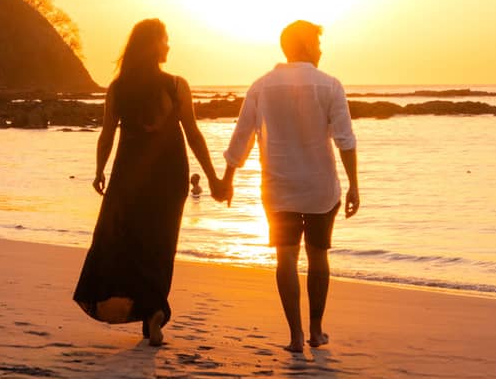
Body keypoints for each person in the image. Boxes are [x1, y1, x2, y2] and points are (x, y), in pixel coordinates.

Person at [73, 19, 225, 346]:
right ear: (153, 43)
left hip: (129, 176)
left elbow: (107, 134)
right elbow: (194, 135)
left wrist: (100, 171)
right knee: (160, 244)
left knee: (124, 242)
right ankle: (154, 310)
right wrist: (212, 177)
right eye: (165, 40)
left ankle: (144, 308)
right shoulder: (176, 85)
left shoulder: (119, 87)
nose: (169, 46)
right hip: (170, 176)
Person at [222, 20, 359, 353]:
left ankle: (295, 335)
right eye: (318, 43)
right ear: (307, 45)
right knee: (318, 257)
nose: (321, 50)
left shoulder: (261, 86)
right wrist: (354, 184)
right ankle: (316, 330)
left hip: (279, 188)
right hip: (320, 188)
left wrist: (227, 179)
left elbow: (242, 136)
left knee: (285, 259)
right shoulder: (330, 86)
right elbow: (345, 139)